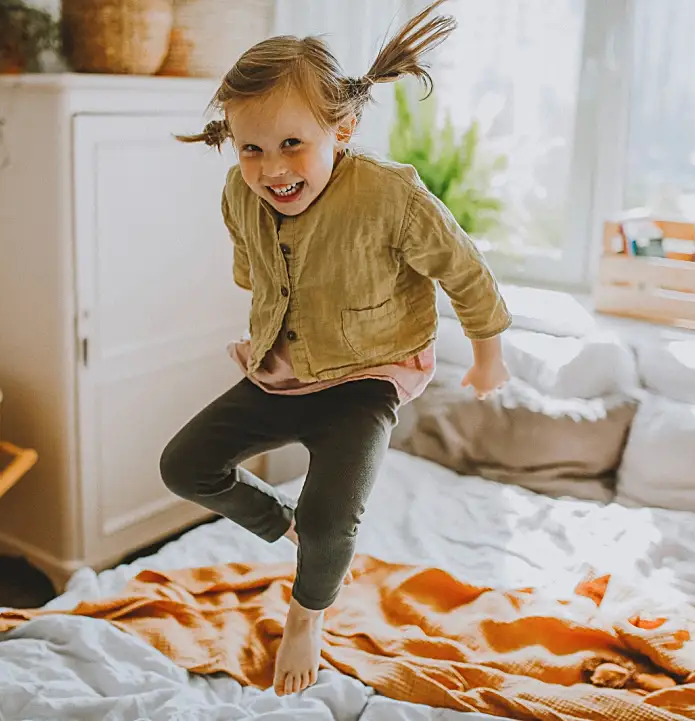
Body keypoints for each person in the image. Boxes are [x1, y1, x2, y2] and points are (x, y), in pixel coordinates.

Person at [159, 0, 512, 697]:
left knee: (332, 521)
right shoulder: (239, 193)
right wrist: (268, 325)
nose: (271, 168)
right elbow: (254, 269)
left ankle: (306, 614)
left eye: (292, 144)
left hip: (369, 377)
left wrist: (487, 353)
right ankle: (286, 525)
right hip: (284, 374)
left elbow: (463, 267)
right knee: (185, 465)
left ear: (341, 128)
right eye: (251, 148)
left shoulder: (387, 194)